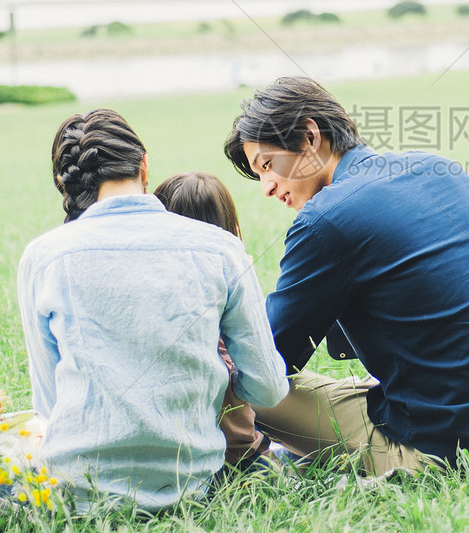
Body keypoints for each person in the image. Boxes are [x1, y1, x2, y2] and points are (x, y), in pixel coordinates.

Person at [223, 76, 469, 475]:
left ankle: (227, 469)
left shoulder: (326, 219)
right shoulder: (438, 167)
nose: (267, 187)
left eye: (267, 165)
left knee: (231, 382)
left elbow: (267, 361)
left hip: (452, 452)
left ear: (309, 137)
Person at [17, 109, 288, 512]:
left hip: (78, 492)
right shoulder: (220, 248)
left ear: (70, 183)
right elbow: (268, 387)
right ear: (144, 166)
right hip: (192, 486)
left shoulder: (42, 257)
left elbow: (49, 403)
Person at [153, 170, 273, 471]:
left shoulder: (153, 301)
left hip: (169, 456)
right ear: (233, 231)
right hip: (238, 455)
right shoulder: (232, 274)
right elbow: (263, 377)